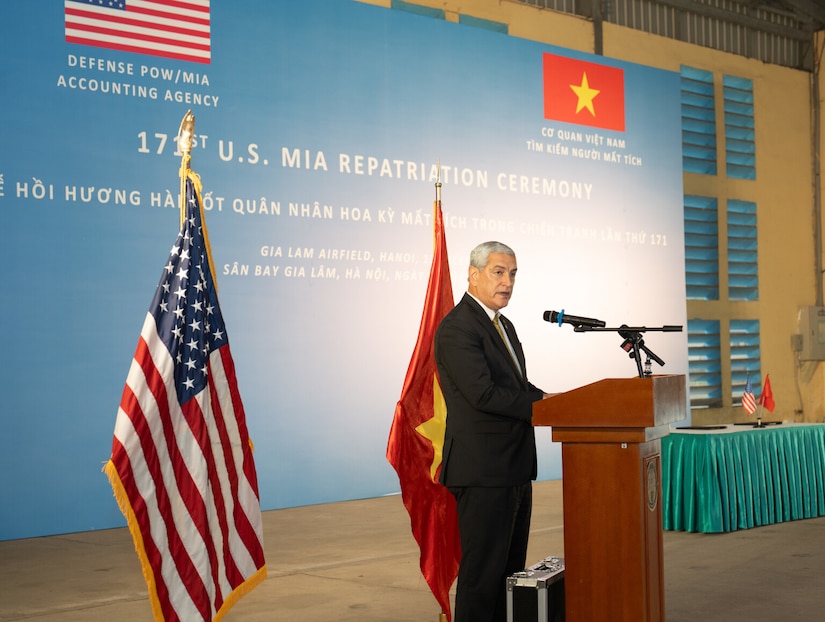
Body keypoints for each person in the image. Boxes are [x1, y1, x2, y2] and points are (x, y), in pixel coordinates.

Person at [435, 240, 548, 622]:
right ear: (473, 274)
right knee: (482, 579)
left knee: (510, 574)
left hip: (513, 470)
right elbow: (484, 394)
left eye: (513, 274)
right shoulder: (457, 328)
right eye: (499, 272)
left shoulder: (503, 325)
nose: (508, 282)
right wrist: (544, 407)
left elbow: (518, 388)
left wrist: (554, 401)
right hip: (483, 473)